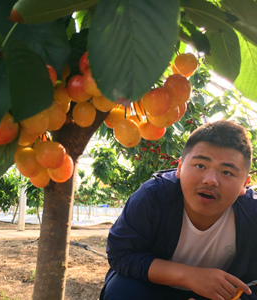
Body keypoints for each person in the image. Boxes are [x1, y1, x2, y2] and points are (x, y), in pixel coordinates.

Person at [100, 120, 257, 300]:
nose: (210, 180)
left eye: (227, 172)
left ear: (245, 184)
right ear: (180, 168)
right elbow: (121, 254)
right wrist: (190, 276)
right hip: (152, 288)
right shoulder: (153, 197)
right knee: (122, 290)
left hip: (217, 296)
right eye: (200, 166)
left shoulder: (253, 215)